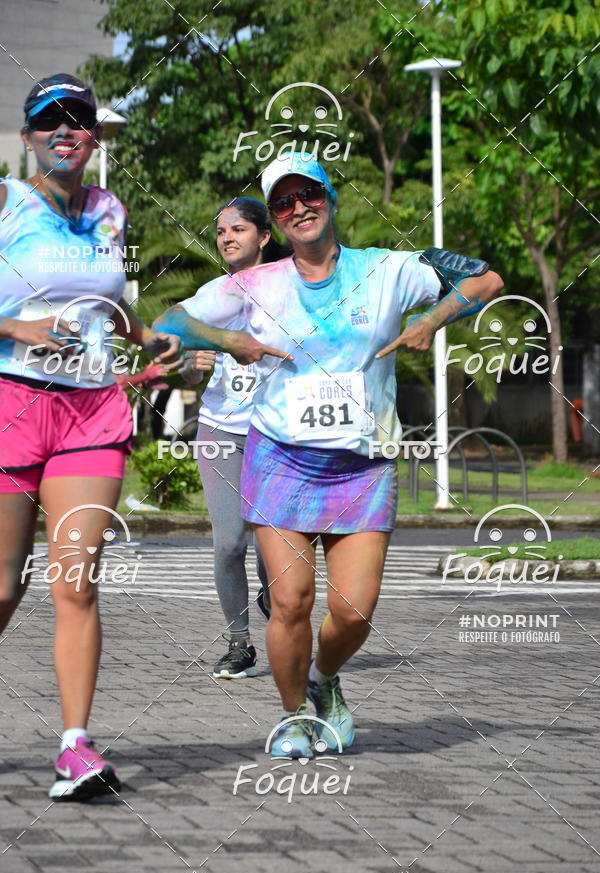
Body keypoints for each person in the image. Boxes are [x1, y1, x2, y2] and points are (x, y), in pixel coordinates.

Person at [154, 152, 503, 758]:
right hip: (280, 459)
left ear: (330, 199)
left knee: (354, 613)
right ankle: (294, 717)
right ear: (276, 220)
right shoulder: (254, 284)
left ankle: (323, 679)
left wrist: (432, 320)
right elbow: (171, 319)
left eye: (308, 194)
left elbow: (485, 281)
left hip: (362, 466)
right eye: (283, 202)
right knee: (291, 602)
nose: (299, 208)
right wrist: (230, 338)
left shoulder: (386, 269)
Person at [0, 74, 180, 799]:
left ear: (95, 135)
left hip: (91, 411)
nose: (65, 130)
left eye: (78, 118)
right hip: (12, 403)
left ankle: (74, 746)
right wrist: (18, 327)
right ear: (28, 137)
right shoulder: (7, 204)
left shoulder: (110, 211)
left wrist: (147, 335)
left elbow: (109, 303)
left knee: (76, 579)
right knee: (4, 585)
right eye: (50, 120)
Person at [180, 198, 290, 678]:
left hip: (278, 434)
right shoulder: (210, 297)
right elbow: (184, 373)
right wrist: (191, 364)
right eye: (221, 231)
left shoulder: (293, 289)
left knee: (273, 549)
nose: (227, 237)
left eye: (238, 229)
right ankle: (239, 642)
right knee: (228, 543)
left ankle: (274, 595)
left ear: (264, 236)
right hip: (220, 430)